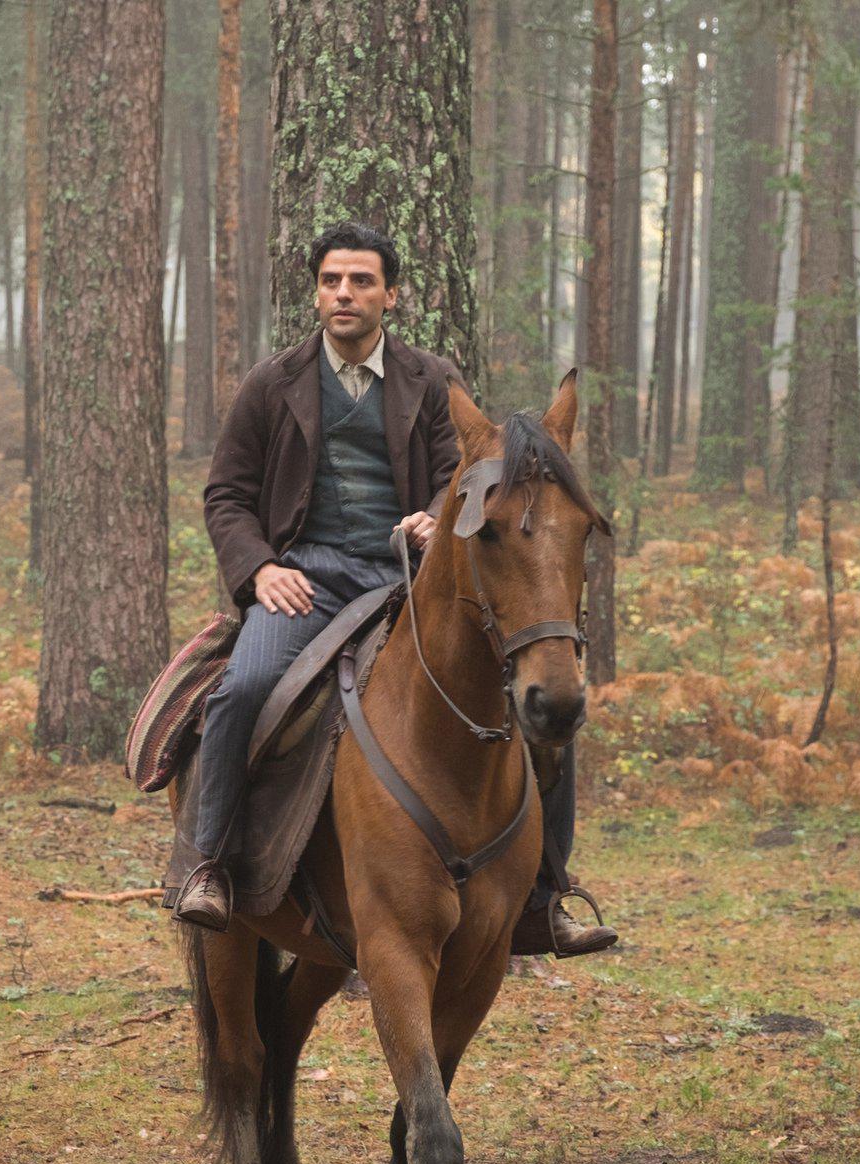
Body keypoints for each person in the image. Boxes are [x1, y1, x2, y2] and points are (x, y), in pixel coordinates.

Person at [176, 222, 614, 957]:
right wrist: (260, 570)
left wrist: (435, 519)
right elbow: (226, 494)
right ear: (316, 293)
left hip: (404, 575)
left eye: (361, 281)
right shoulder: (270, 383)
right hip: (304, 579)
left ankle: (543, 896)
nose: (344, 294)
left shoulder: (432, 381)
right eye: (331, 281)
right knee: (243, 688)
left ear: (391, 294)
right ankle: (207, 864)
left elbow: (469, 473)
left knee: (538, 704)